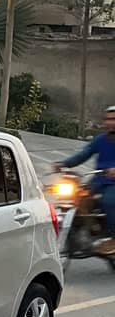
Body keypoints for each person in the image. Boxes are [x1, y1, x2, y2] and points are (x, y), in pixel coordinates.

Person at [56, 106, 115, 255]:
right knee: (77, 197)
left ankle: (112, 239)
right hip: (98, 180)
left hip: (113, 184)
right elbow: (84, 153)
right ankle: (84, 232)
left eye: (113, 119)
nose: (110, 122)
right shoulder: (100, 140)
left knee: (108, 201)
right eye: (108, 119)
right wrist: (64, 163)